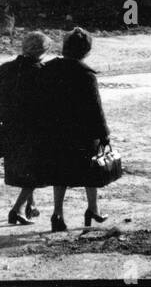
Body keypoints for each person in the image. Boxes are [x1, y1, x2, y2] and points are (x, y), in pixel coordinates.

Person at [37, 28, 113, 232]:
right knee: (91, 169)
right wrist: (104, 134)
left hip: (55, 130)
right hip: (82, 133)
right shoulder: (86, 75)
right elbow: (96, 108)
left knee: (59, 172)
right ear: (86, 51)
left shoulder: (48, 68)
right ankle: (93, 209)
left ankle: (58, 214)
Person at [0, 31, 47, 226]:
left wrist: (5, 112)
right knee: (38, 169)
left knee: (24, 168)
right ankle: (18, 209)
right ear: (42, 52)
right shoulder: (41, 72)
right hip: (33, 128)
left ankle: (31, 205)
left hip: (10, 126)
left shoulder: (5, 68)